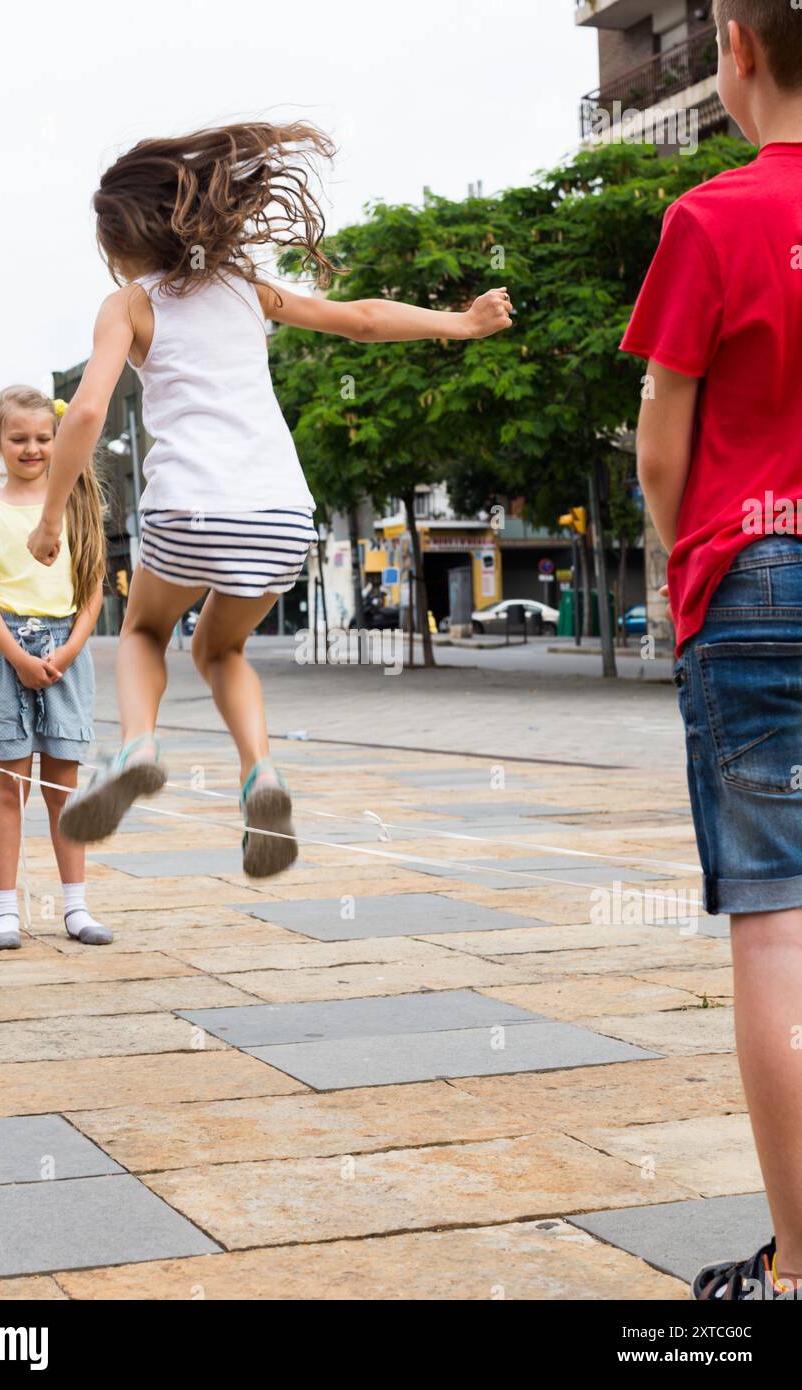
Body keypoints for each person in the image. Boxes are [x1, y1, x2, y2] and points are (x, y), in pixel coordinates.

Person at [26, 121, 513, 876]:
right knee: (220, 649)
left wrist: (53, 515)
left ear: (126, 240)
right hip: (282, 517)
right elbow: (360, 318)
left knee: (146, 634)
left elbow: (86, 413)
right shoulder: (247, 289)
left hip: (188, 509)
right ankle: (262, 774)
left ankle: (137, 747)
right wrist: (463, 322)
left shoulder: (128, 303)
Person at [622, 0, 802, 1300]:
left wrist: (691, 562)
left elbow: (658, 444)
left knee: (778, 934)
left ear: (732, 45)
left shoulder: (711, 218)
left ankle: (796, 1267)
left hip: (757, 571)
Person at [0, 387, 110, 949]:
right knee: (10, 784)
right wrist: (20, 659)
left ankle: (75, 906)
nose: (32, 448)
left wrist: (68, 652)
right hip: (8, 652)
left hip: (66, 650)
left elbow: (92, 591)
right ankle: (5, 909)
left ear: (59, 439)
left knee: (63, 788)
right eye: (18, 438)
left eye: (43, 438)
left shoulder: (72, 507)